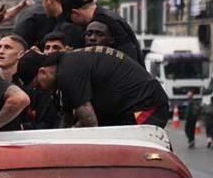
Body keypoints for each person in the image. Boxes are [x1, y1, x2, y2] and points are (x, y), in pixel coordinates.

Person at [15, 47, 170, 128]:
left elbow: (90, 123)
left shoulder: (68, 72)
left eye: (37, 85)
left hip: (147, 106)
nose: (40, 90)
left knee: (133, 153)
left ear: (42, 72)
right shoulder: (66, 64)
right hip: (124, 108)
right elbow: (67, 118)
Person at [61, 0, 143, 64]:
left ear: (75, 13)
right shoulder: (109, 18)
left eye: (70, 19)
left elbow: (128, 57)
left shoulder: (104, 22)